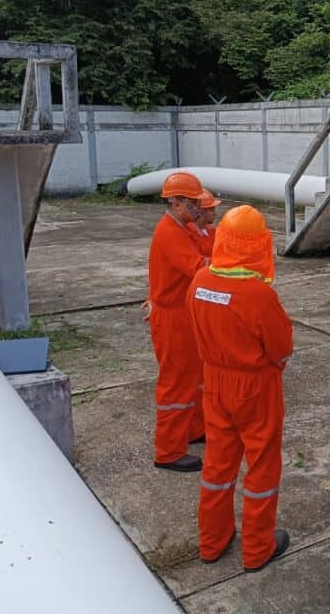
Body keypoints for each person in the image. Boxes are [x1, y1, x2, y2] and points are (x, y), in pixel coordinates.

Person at [186, 205, 294, 570]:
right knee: (261, 465)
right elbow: (281, 349)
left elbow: (195, 329)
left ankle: (212, 543)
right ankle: (257, 549)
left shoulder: (200, 283)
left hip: (214, 382)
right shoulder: (258, 295)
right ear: (259, 245)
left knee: (217, 463)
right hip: (255, 386)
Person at [146, 172, 210, 472]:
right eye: (194, 203)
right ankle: (169, 452)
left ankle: (194, 430)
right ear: (176, 202)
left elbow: (207, 249)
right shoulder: (170, 233)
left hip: (182, 315)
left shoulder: (182, 228)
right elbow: (199, 267)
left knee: (194, 378)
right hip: (172, 319)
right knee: (176, 384)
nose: (199, 208)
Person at [189, 189, 221, 256]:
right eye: (212, 210)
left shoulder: (211, 230)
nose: (215, 214)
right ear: (200, 211)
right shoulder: (190, 235)